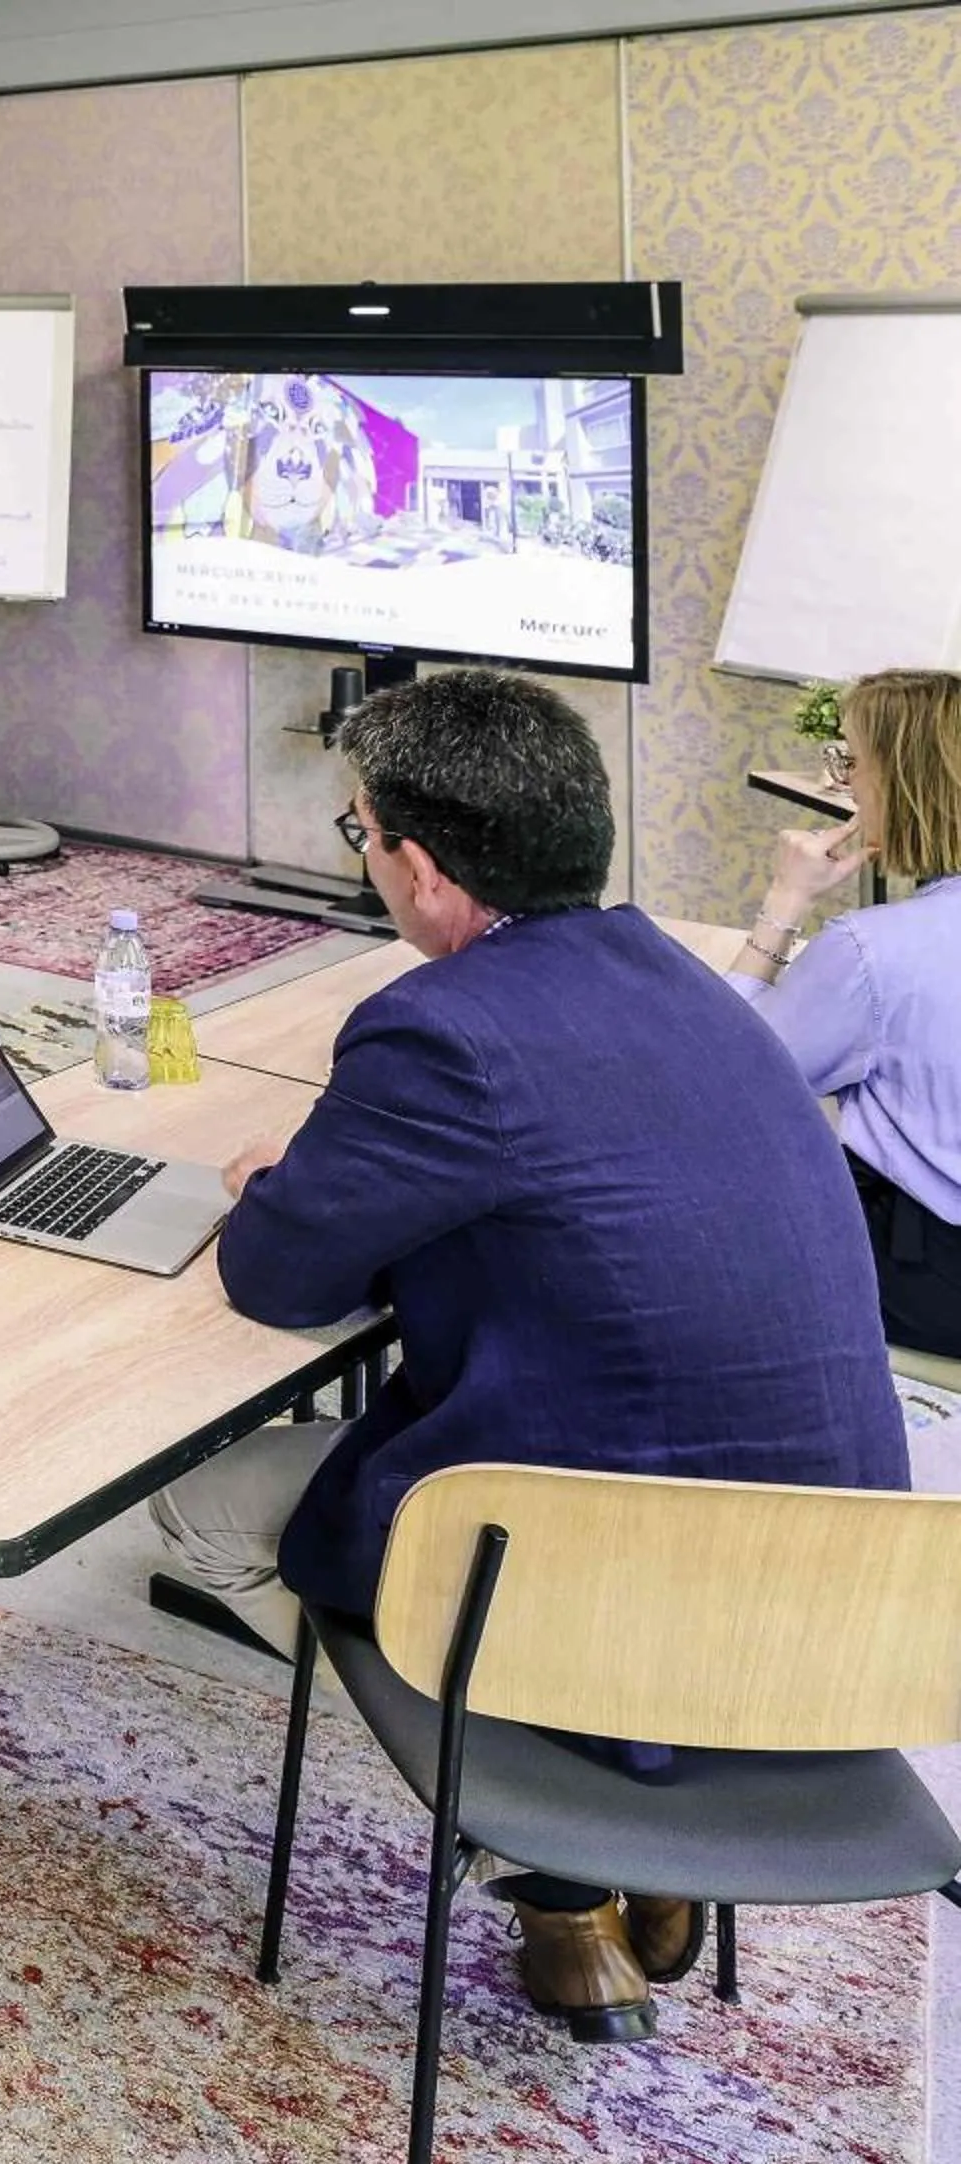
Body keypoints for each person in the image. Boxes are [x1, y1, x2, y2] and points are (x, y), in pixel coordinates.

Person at [147, 668, 907, 2045]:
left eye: (358, 834)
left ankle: (550, 1848)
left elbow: (274, 1280)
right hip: (840, 1601)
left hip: (621, 1597)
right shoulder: (699, 990)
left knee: (199, 1509)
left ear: (420, 868)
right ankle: (613, 1853)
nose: (363, 857)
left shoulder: (438, 1029)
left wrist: (305, 1185)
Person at [722, 667, 961, 1360]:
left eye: (850, 761)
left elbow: (735, 1074)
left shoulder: (872, 952)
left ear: (903, 780)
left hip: (934, 1284)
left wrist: (786, 900)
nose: (840, 784)